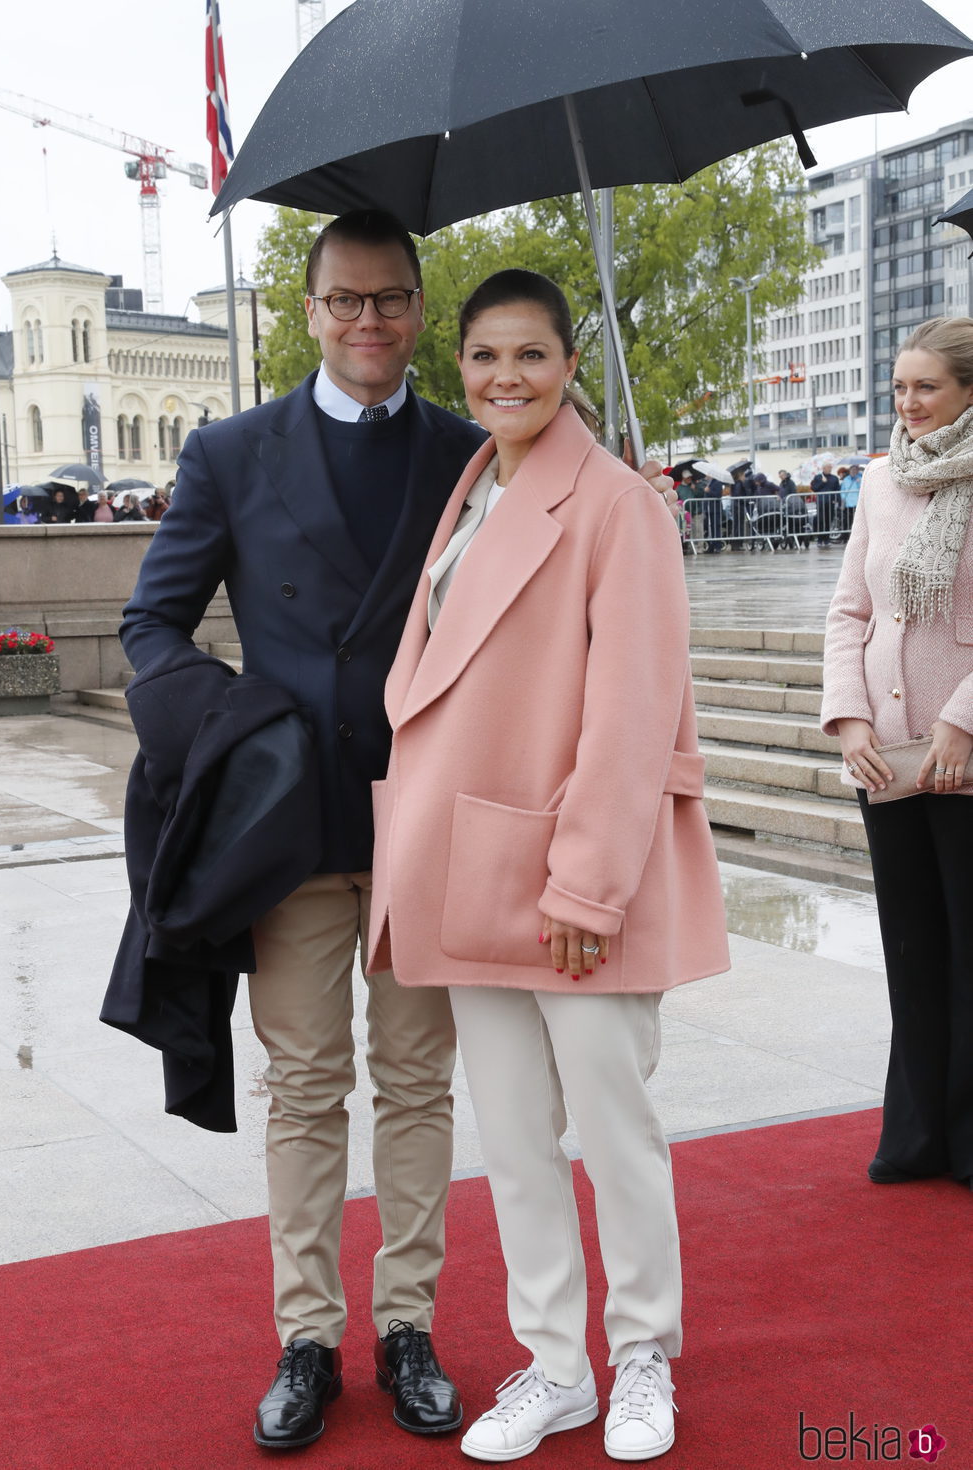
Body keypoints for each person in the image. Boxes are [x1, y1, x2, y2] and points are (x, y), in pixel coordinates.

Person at [118, 208, 679, 1453]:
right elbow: (149, 626)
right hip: (295, 828)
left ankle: (409, 1326)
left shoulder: (472, 449)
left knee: (424, 1090)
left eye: (390, 300)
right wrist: (229, 729)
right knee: (308, 1089)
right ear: (308, 313)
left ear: (420, 312)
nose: (368, 321)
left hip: (440, 833)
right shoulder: (229, 450)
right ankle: (307, 1338)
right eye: (344, 301)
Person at [368, 269, 729, 1463]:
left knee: (612, 1127)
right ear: (455, 367)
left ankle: (640, 1358)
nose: (504, 379)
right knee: (515, 1136)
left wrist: (584, 883)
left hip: (579, 869)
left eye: (529, 356)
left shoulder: (617, 504)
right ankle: (553, 1362)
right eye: (482, 357)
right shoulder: (474, 486)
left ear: (570, 364)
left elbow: (631, 712)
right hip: (471, 862)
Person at [821, 315, 973, 1193]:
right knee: (910, 947)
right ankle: (916, 1135)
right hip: (885, 756)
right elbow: (850, 611)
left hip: (963, 756)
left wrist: (961, 719)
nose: (908, 404)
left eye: (927, 387)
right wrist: (849, 719)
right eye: (900, 388)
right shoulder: (881, 481)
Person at [811, 459, 840, 538]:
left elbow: (837, 490)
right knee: (821, 520)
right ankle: (820, 538)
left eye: (830, 467)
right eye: (828, 467)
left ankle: (827, 538)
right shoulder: (818, 477)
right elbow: (814, 488)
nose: (830, 469)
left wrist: (837, 500)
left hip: (830, 502)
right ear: (823, 468)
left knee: (829, 520)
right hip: (821, 502)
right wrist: (822, 482)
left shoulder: (834, 478)